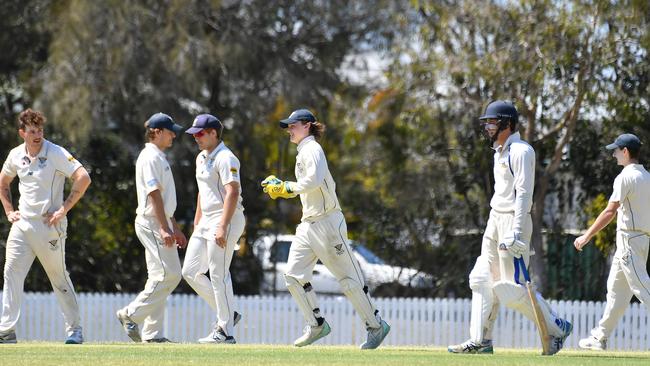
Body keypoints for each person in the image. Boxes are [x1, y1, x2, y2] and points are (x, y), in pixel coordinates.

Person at [447, 101, 572, 355]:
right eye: (487, 124)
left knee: (511, 289)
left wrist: (516, 231)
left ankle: (558, 327)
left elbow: (525, 193)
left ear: (507, 124)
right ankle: (481, 341)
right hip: (495, 218)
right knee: (481, 278)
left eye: (492, 123)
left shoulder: (521, 151)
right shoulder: (499, 151)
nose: (488, 128)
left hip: (514, 222)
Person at [261, 109, 390, 349]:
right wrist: (282, 188)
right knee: (292, 277)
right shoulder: (303, 152)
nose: (289, 129)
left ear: (308, 125)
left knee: (349, 280)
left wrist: (285, 187)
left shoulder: (313, 149)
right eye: (288, 126)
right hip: (308, 223)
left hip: (328, 223)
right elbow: (308, 188)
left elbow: (314, 181)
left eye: (293, 125)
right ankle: (317, 324)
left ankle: (376, 325)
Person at [0, 108, 91, 344]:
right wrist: (9, 211)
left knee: (58, 276)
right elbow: (3, 182)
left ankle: (74, 330)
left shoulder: (56, 153)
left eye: (40, 130)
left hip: (49, 226)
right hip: (22, 226)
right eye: (32, 131)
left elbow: (83, 177)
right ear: (22, 133)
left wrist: (63, 209)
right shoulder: (15, 155)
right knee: (11, 273)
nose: (37, 135)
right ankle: (6, 331)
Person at [573, 133, 650, 351]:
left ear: (625, 152)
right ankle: (600, 337)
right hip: (640, 240)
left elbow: (610, 212)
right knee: (616, 292)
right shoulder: (646, 176)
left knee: (643, 288)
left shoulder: (625, 177)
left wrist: (586, 236)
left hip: (629, 240)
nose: (614, 154)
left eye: (616, 151)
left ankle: (600, 337)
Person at [116, 112, 187, 343]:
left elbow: (164, 201)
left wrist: (173, 226)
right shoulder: (149, 157)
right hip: (151, 222)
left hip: (160, 221)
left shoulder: (158, 156)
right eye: (169, 131)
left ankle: (153, 334)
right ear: (156, 132)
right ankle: (131, 315)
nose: (174, 135)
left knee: (159, 277)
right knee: (171, 274)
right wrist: (164, 228)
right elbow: (153, 194)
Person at [181, 114, 245, 344]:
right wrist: (197, 221)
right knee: (190, 271)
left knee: (218, 274)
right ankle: (229, 313)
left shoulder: (227, 158)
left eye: (200, 133)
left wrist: (222, 226)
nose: (196, 137)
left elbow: (233, 192)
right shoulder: (201, 157)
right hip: (206, 220)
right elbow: (202, 190)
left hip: (226, 218)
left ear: (214, 133)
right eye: (195, 134)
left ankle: (225, 331)